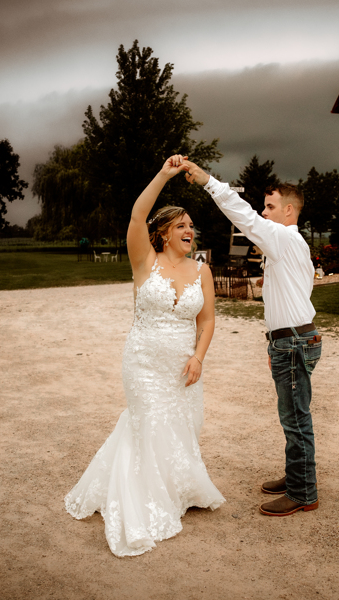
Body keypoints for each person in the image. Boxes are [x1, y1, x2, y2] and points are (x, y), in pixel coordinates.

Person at [64, 155, 225, 556]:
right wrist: (165, 175)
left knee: (179, 427)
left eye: (192, 226)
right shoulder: (144, 262)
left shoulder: (201, 270)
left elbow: (207, 321)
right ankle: (148, 501)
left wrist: (199, 357)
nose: (190, 230)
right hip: (143, 362)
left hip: (181, 364)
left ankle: (173, 489)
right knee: (149, 423)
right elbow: (137, 217)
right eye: (182, 225)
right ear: (164, 233)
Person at [181, 160, 322, 517]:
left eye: (270, 206)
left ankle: (304, 493)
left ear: (289, 210)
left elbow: (244, 216)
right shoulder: (290, 244)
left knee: (295, 419)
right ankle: (296, 477)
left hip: (292, 341)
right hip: (292, 339)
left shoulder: (285, 236)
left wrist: (208, 182)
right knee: (293, 415)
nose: (263, 212)